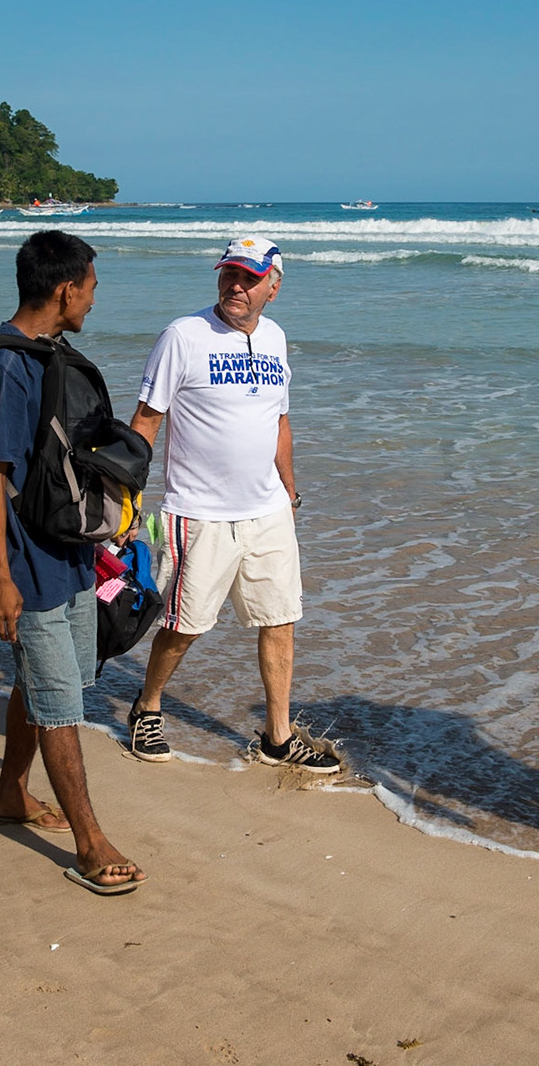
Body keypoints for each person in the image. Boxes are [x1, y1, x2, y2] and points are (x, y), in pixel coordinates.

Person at [0, 230, 146, 895]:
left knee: (42, 680)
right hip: (27, 565)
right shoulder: (4, 367)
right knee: (63, 700)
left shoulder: (49, 354)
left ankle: (11, 790)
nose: (95, 301)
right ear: (66, 289)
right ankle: (90, 842)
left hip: (66, 553)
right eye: (92, 288)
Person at [123, 237, 340, 773]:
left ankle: (277, 736)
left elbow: (280, 422)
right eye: (228, 275)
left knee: (281, 618)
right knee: (187, 623)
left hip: (267, 510)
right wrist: (126, 502)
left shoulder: (276, 339)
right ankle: (146, 707)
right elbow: (147, 420)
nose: (235, 286)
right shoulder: (184, 336)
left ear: (274, 286)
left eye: (248, 278)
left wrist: (289, 491)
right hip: (198, 511)